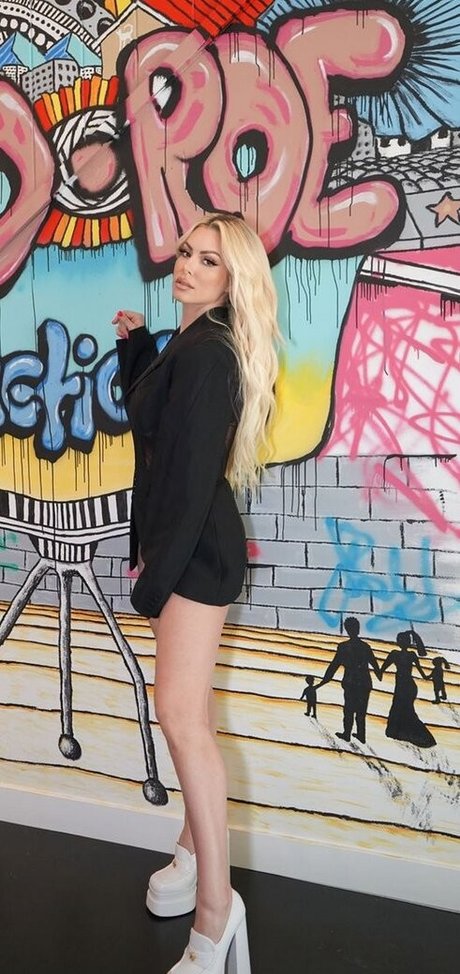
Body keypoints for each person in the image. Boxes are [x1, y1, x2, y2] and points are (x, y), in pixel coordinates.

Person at [113, 213, 281, 974]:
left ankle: (216, 915)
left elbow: (186, 482)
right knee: (191, 715)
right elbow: (154, 422)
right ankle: (191, 852)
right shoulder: (190, 343)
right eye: (186, 252)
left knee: (181, 721)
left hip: (194, 556)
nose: (187, 265)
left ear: (231, 279)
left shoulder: (210, 354)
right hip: (182, 550)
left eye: (209, 261)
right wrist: (137, 348)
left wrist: (154, 584)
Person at [315, 617, 381, 744]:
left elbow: (333, 666)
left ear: (347, 630)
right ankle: (361, 735)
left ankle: (347, 734)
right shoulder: (365, 647)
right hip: (364, 683)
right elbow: (375, 666)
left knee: (349, 710)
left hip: (350, 683)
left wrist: (322, 683)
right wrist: (380, 674)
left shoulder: (343, 647)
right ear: (358, 629)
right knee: (361, 711)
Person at [380, 630, 436, 748]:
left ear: (398, 642)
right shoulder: (412, 655)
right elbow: (423, 675)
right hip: (410, 686)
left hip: (402, 686)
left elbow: (382, 669)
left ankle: (398, 732)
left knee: (399, 707)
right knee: (407, 709)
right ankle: (412, 734)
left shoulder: (394, 654)